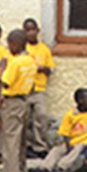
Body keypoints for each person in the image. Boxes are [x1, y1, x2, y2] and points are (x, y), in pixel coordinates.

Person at [0, 29, 38, 172]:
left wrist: (2, 69)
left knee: (10, 142)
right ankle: (22, 171)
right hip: (25, 100)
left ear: (16, 44)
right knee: (21, 140)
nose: (8, 47)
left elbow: (5, 82)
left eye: (10, 44)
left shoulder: (15, 63)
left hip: (12, 102)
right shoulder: (30, 61)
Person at [35, 87, 87, 172]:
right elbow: (65, 132)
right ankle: (46, 167)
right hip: (71, 141)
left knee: (77, 150)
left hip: (85, 141)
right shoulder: (71, 115)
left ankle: (62, 166)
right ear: (79, 101)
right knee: (57, 150)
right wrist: (68, 144)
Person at [22, 18, 56, 154]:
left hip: (39, 89)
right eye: (27, 30)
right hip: (24, 89)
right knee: (24, 119)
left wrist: (43, 68)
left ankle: (40, 146)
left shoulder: (44, 49)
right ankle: (26, 146)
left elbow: (51, 69)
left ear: (37, 31)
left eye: (32, 30)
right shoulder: (23, 48)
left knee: (41, 117)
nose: (30, 33)